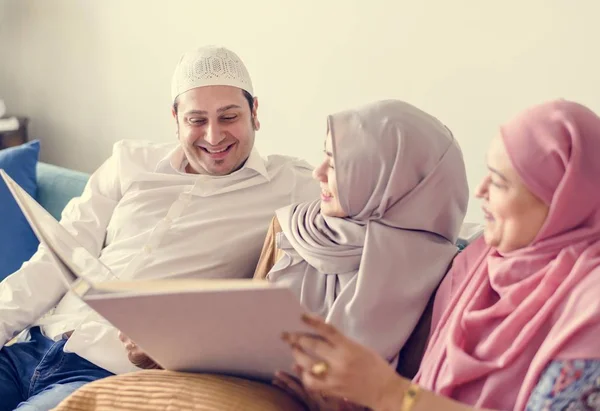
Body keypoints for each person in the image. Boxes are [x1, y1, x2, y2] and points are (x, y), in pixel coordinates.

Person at [0, 45, 319, 410]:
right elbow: (55, 258)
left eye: (229, 117)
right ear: (176, 118)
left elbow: (370, 194)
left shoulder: (292, 184)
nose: (214, 137)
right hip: (32, 344)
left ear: (255, 112)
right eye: (197, 120)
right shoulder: (129, 162)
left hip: (106, 374)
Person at [278, 99, 600, 411]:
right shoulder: (476, 265)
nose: (480, 190)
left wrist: (388, 393)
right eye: (487, 172)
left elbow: (404, 398)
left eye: (500, 182)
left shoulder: (589, 306)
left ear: (564, 200)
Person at [256, 99, 469, 368]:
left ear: (389, 177)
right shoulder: (291, 228)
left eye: (335, 165)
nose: (317, 173)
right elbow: (243, 330)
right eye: (325, 157)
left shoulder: (443, 273)